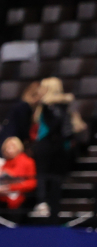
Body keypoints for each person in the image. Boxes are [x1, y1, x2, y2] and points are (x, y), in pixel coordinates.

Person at [27, 76, 89, 223]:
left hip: (49, 146)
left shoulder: (50, 107)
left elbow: (54, 126)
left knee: (46, 177)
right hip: (59, 147)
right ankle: (51, 210)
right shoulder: (64, 105)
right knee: (54, 180)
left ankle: (43, 204)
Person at [0, 136, 38, 222]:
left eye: (12, 146)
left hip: (21, 199)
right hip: (3, 199)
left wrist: (11, 187)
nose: (9, 149)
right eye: (7, 147)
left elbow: (32, 183)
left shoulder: (28, 162)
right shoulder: (4, 164)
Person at [0, 80, 45, 147]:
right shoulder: (24, 107)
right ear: (35, 95)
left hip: (7, 139)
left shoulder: (21, 104)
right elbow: (23, 128)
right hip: (10, 141)